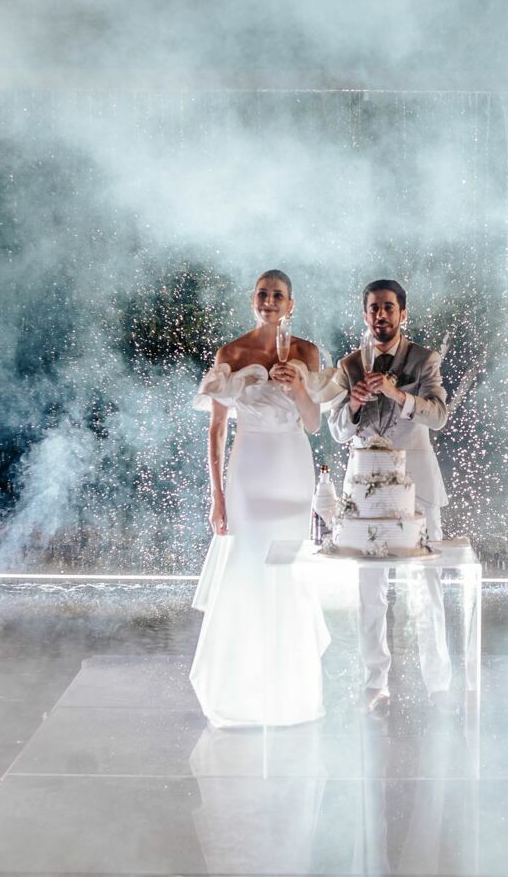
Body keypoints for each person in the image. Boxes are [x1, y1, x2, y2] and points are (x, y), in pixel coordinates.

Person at [188, 269, 333, 727]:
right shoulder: (231, 353)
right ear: (254, 300)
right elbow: (216, 430)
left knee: (289, 573)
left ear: (292, 305)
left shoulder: (307, 352)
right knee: (248, 570)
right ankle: (242, 692)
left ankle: (291, 693)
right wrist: (216, 495)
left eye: (279, 296)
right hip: (248, 473)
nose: (270, 301)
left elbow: (313, 424)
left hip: (293, 470)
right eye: (263, 294)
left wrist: (295, 388)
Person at [326, 278, 451, 712]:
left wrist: (396, 393)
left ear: (402, 314)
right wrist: (356, 403)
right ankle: (374, 682)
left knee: (428, 588)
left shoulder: (424, 359)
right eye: (374, 308)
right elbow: (339, 430)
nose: (381, 315)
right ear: (365, 315)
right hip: (363, 494)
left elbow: (438, 416)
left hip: (417, 485)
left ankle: (438, 684)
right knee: (368, 591)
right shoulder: (347, 365)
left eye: (389, 308)